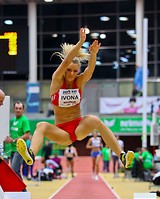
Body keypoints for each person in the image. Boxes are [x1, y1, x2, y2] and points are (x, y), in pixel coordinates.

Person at [16, 28, 134, 173]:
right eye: (69, 70)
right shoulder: (57, 81)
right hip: (62, 132)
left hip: (78, 126)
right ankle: (31, 154)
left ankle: (122, 155)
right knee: (41, 125)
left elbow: (90, 70)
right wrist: (81, 43)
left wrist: (93, 54)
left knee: (95, 120)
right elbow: (65, 62)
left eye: (75, 71)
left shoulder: (79, 82)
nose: (71, 73)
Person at [4, 101, 30, 186]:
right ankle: (18, 190)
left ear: (23, 110)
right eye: (16, 108)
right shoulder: (13, 121)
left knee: (15, 170)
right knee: (14, 171)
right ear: (14, 109)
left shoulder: (24, 120)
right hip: (12, 149)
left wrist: (13, 140)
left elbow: (27, 135)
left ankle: (22, 191)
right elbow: (11, 133)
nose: (18, 110)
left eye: (20, 108)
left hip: (20, 149)